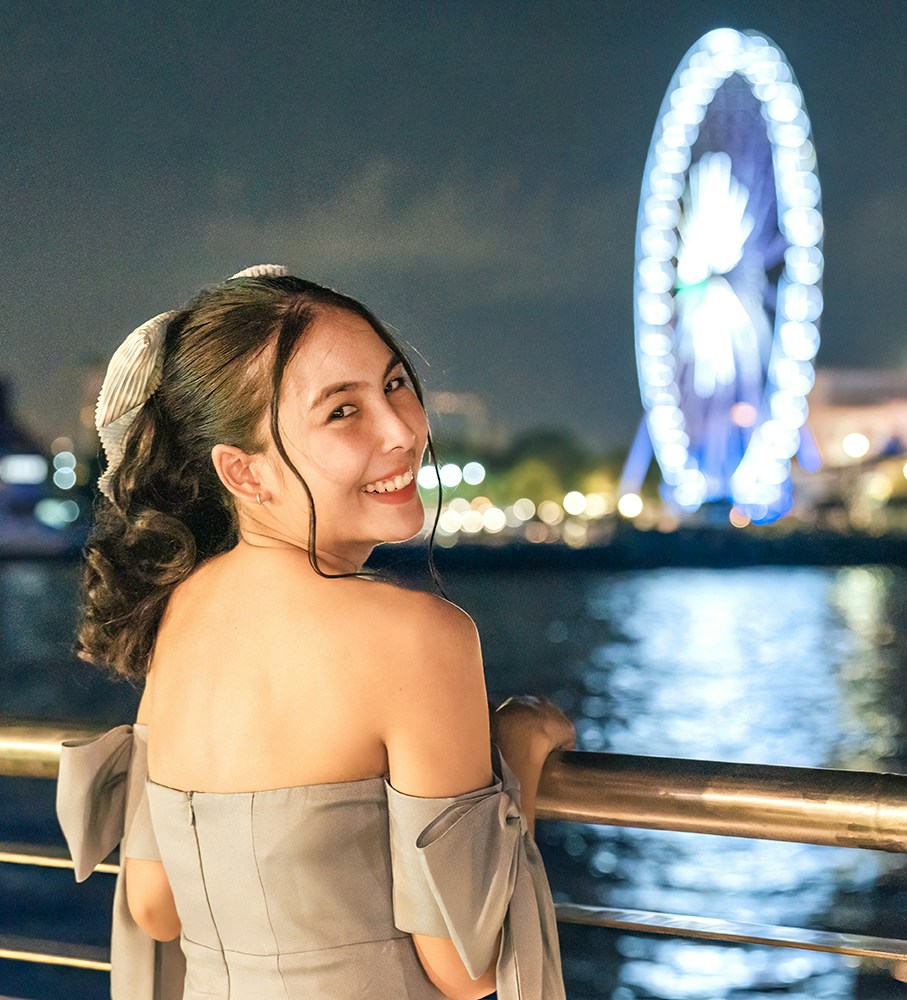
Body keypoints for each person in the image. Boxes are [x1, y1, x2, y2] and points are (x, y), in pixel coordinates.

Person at [55, 265, 576, 1000]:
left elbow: (154, 904)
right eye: (342, 412)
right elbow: (466, 967)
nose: (402, 430)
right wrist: (516, 751)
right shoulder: (417, 636)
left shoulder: (184, 611)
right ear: (244, 472)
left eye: (395, 385)